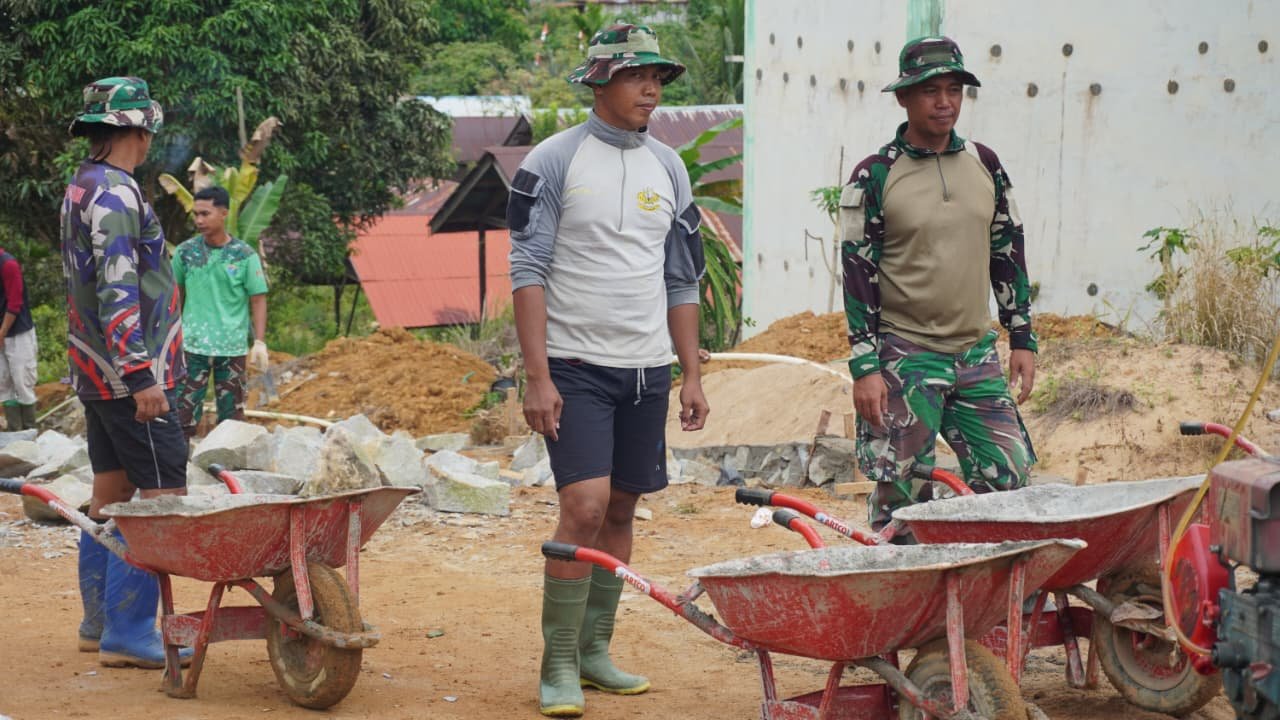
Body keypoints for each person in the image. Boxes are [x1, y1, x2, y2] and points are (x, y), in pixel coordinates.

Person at [508, 24, 709, 718]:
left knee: (623, 507)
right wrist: (538, 376)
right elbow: (527, 269)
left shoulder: (670, 168)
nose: (651, 89)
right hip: (575, 367)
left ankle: (596, 650)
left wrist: (691, 372)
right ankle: (558, 661)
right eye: (634, 76)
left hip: (646, 369)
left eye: (657, 77)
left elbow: (682, 278)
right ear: (599, 82)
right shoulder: (553, 160)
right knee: (584, 507)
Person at [840, 37, 1038, 534]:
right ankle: (900, 579)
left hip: (975, 353)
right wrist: (865, 366)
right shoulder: (875, 175)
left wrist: (1022, 336)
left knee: (1008, 477)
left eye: (954, 90)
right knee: (902, 494)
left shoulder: (985, 163)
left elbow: (1007, 250)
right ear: (903, 97)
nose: (945, 102)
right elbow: (858, 273)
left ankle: (982, 579)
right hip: (905, 356)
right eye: (931, 91)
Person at [60, 76, 191, 668]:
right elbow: (118, 288)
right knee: (161, 497)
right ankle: (130, 633)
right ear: (138, 129)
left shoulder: (83, 184)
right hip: (127, 374)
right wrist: (141, 375)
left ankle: (99, 623)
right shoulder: (116, 194)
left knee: (111, 493)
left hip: (94, 368)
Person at [172, 185, 269, 438]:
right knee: (182, 416)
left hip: (232, 348)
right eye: (196, 214)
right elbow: (175, 296)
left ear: (224, 213)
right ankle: (179, 463)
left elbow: (258, 299)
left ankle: (227, 462)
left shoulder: (244, 255)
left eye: (205, 214)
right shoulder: (185, 253)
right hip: (192, 346)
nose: (199, 220)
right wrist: (170, 335)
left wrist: (259, 342)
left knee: (232, 420)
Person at [0, 248, 38, 430]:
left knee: (22, 382)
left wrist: (2, 332)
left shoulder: (8, 265)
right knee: (3, 383)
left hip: (18, 332)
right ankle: (15, 433)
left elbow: (15, 303)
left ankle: (29, 432)